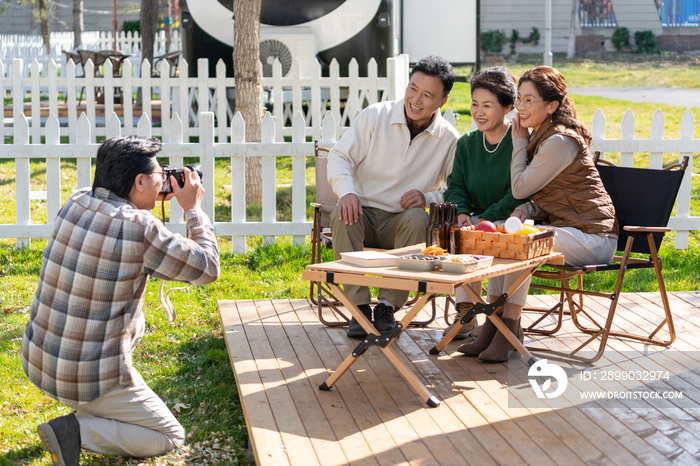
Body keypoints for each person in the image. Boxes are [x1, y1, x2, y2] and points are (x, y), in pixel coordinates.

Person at [21, 136, 221, 465]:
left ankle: (91, 405)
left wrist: (147, 205)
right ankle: (76, 431)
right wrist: (193, 210)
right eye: (158, 174)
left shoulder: (76, 200)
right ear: (140, 181)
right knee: (170, 435)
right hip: (83, 374)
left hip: (39, 359)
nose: (163, 180)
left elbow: (125, 233)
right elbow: (208, 268)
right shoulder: (140, 229)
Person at [457, 66, 618, 362]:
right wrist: (527, 209)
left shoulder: (558, 141)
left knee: (520, 246)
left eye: (529, 100)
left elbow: (519, 187)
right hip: (570, 229)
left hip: (594, 238)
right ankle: (494, 328)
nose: (520, 107)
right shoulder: (544, 137)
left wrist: (518, 143)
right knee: (504, 238)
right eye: (520, 98)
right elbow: (552, 196)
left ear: (552, 106)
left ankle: (509, 329)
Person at [327, 55, 460, 338]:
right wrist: (347, 192)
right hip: (360, 213)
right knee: (343, 212)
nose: (416, 99)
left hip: (400, 223)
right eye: (413, 88)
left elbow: (456, 189)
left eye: (427, 95)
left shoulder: (449, 138)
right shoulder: (375, 115)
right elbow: (339, 156)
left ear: (443, 101)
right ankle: (359, 308)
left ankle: (387, 306)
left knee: (417, 218)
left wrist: (428, 197)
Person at [442, 66, 526, 340]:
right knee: (460, 236)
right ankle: (465, 315)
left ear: (508, 107)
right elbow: (456, 185)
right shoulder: (467, 143)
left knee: (486, 238)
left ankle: (503, 322)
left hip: (508, 220)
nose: (479, 112)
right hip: (475, 220)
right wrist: (463, 212)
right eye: (475, 104)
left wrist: (483, 220)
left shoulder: (520, 142)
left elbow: (518, 193)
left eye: (487, 105)